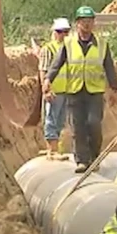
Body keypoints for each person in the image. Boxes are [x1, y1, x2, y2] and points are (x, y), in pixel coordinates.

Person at [44, 6, 117, 173]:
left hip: (95, 92)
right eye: (83, 22)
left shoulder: (101, 44)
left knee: (93, 124)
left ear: (93, 24)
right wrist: (48, 79)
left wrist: (114, 89)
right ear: (77, 24)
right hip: (75, 91)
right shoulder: (69, 43)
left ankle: (94, 157)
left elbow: (109, 67)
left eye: (89, 22)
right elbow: (57, 64)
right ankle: (82, 161)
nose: (86, 25)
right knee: (78, 127)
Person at [39, 17, 71, 160]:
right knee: (51, 119)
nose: (63, 34)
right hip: (54, 91)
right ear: (55, 32)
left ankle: (55, 148)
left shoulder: (69, 48)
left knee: (60, 120)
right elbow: (43, 70)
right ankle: (51, 151)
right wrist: (46, 90)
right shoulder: (49, 49)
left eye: (66, 32)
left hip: (65, 90)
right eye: (60, 31)